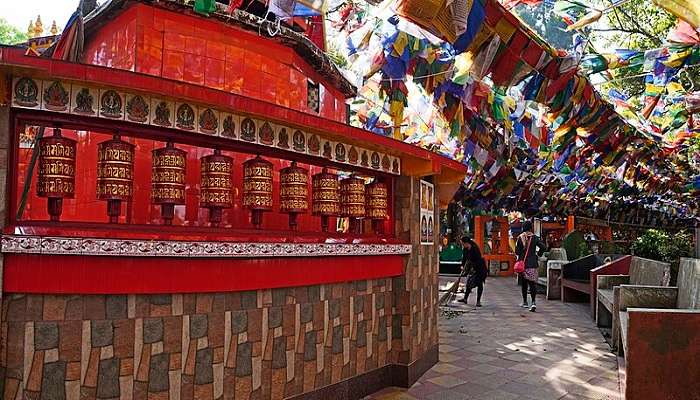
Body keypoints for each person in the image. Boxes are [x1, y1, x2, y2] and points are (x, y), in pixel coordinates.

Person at [515, 220, 546, 312]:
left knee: (524, 283)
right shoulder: (535, 238)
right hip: (532, 263)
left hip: (522, 264)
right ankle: (533, 302)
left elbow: (517, 251)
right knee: (532, 284)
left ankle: (525, 302)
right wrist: (538, 255)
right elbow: (543, 247)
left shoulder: (520, 238)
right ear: (531, 227)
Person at [459, 236, 488, 306]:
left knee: (479, 283)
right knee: (469, 283)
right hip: (472, 268)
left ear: (466, 243)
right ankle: (465, 298)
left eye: (463, 243)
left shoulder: (474, 248)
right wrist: (462, 266)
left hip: (480, 268)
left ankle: (478, 301)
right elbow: (464, 258)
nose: (462, 245)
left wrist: (471, 267)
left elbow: (476, 259)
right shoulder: (465, 249)